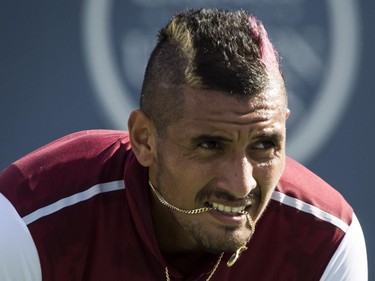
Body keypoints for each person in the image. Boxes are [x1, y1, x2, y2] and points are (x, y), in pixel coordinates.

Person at [0, 8, 367, 281]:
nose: (242, 185)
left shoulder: (327, 240)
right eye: (209, 144)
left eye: (264, 144)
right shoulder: (28, 222)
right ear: (144, 140)